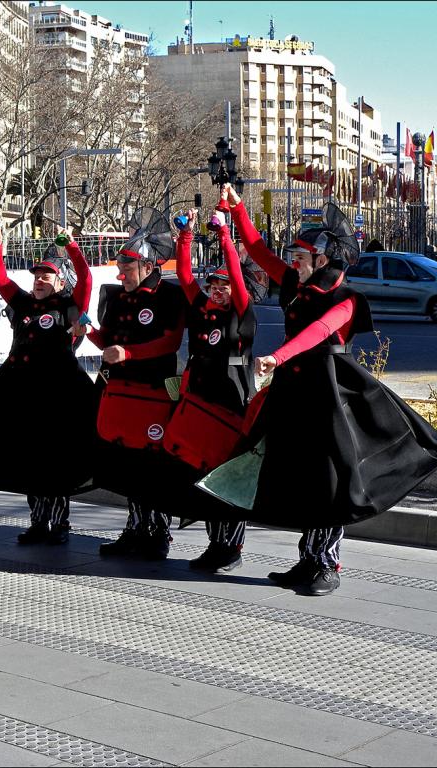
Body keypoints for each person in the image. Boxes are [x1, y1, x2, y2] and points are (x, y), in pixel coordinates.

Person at [198, 187, 437, 596]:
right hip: (295, 390)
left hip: (332, 393)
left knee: (332, 478)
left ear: (321, 260)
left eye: (300, 258)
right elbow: (259, 250)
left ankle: (327, 565)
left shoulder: (347, 298)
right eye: (295, 258)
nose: (292, 264)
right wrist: (239, 208)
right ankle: (306, 559)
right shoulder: (297, 283)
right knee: (300, 475)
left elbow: (318, 333)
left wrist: (276, 358)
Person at [0, 226, 96, 544]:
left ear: (60, 281)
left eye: (46, 276)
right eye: (36, 275)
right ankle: (38, 521)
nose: (39, 280)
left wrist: (72, 247)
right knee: (28, 457)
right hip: (22, 391)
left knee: (56, 459)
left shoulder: (70, 305)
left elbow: (87, 279)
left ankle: (60, 524)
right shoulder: (24, 303)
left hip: (59, 393)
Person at [87, 208, 187, 560]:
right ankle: (134, 528)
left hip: (153, 394)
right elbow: (109, 343)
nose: (120, 274)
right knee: (127, 464)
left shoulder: (170, 296)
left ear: (147, 267)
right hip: (121, 393)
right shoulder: (117, 297)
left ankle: (158, 532)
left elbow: (170, 342)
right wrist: (90, 333)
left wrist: (127, 354)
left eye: (126, 269)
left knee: (153, 467)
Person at [168, 197, 257, 574]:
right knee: (201, 469)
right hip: (200, 394)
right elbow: (185, 276)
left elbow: (238, 276)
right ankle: (214, 544)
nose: (217, 290)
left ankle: (231, 545)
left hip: (231, 395)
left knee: (227, 472)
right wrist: (186, 236)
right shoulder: (202, 309)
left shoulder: (241, 311)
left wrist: (224, 235)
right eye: (214, 285)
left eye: (223, 286)